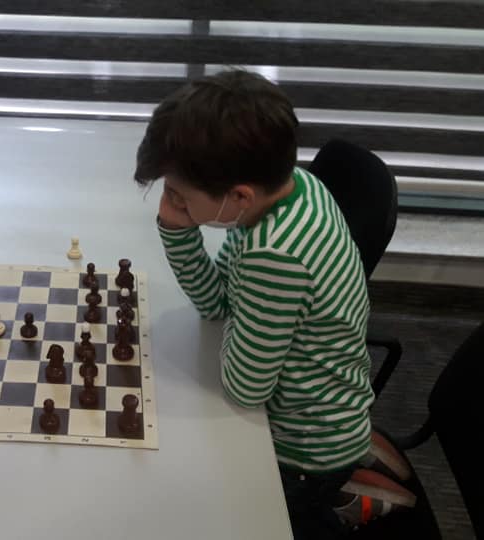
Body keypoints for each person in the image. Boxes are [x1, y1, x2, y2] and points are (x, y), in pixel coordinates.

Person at [134, 69, 375, 538]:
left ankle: (337, 510)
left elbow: (244, 389)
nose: (170, 202)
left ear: (239, 196)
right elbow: (218, 302)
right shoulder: (292, 188)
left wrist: (239, 317)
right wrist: (178, 229)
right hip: (326, 411)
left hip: (304, 448)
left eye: (177, 194)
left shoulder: (275, 253)